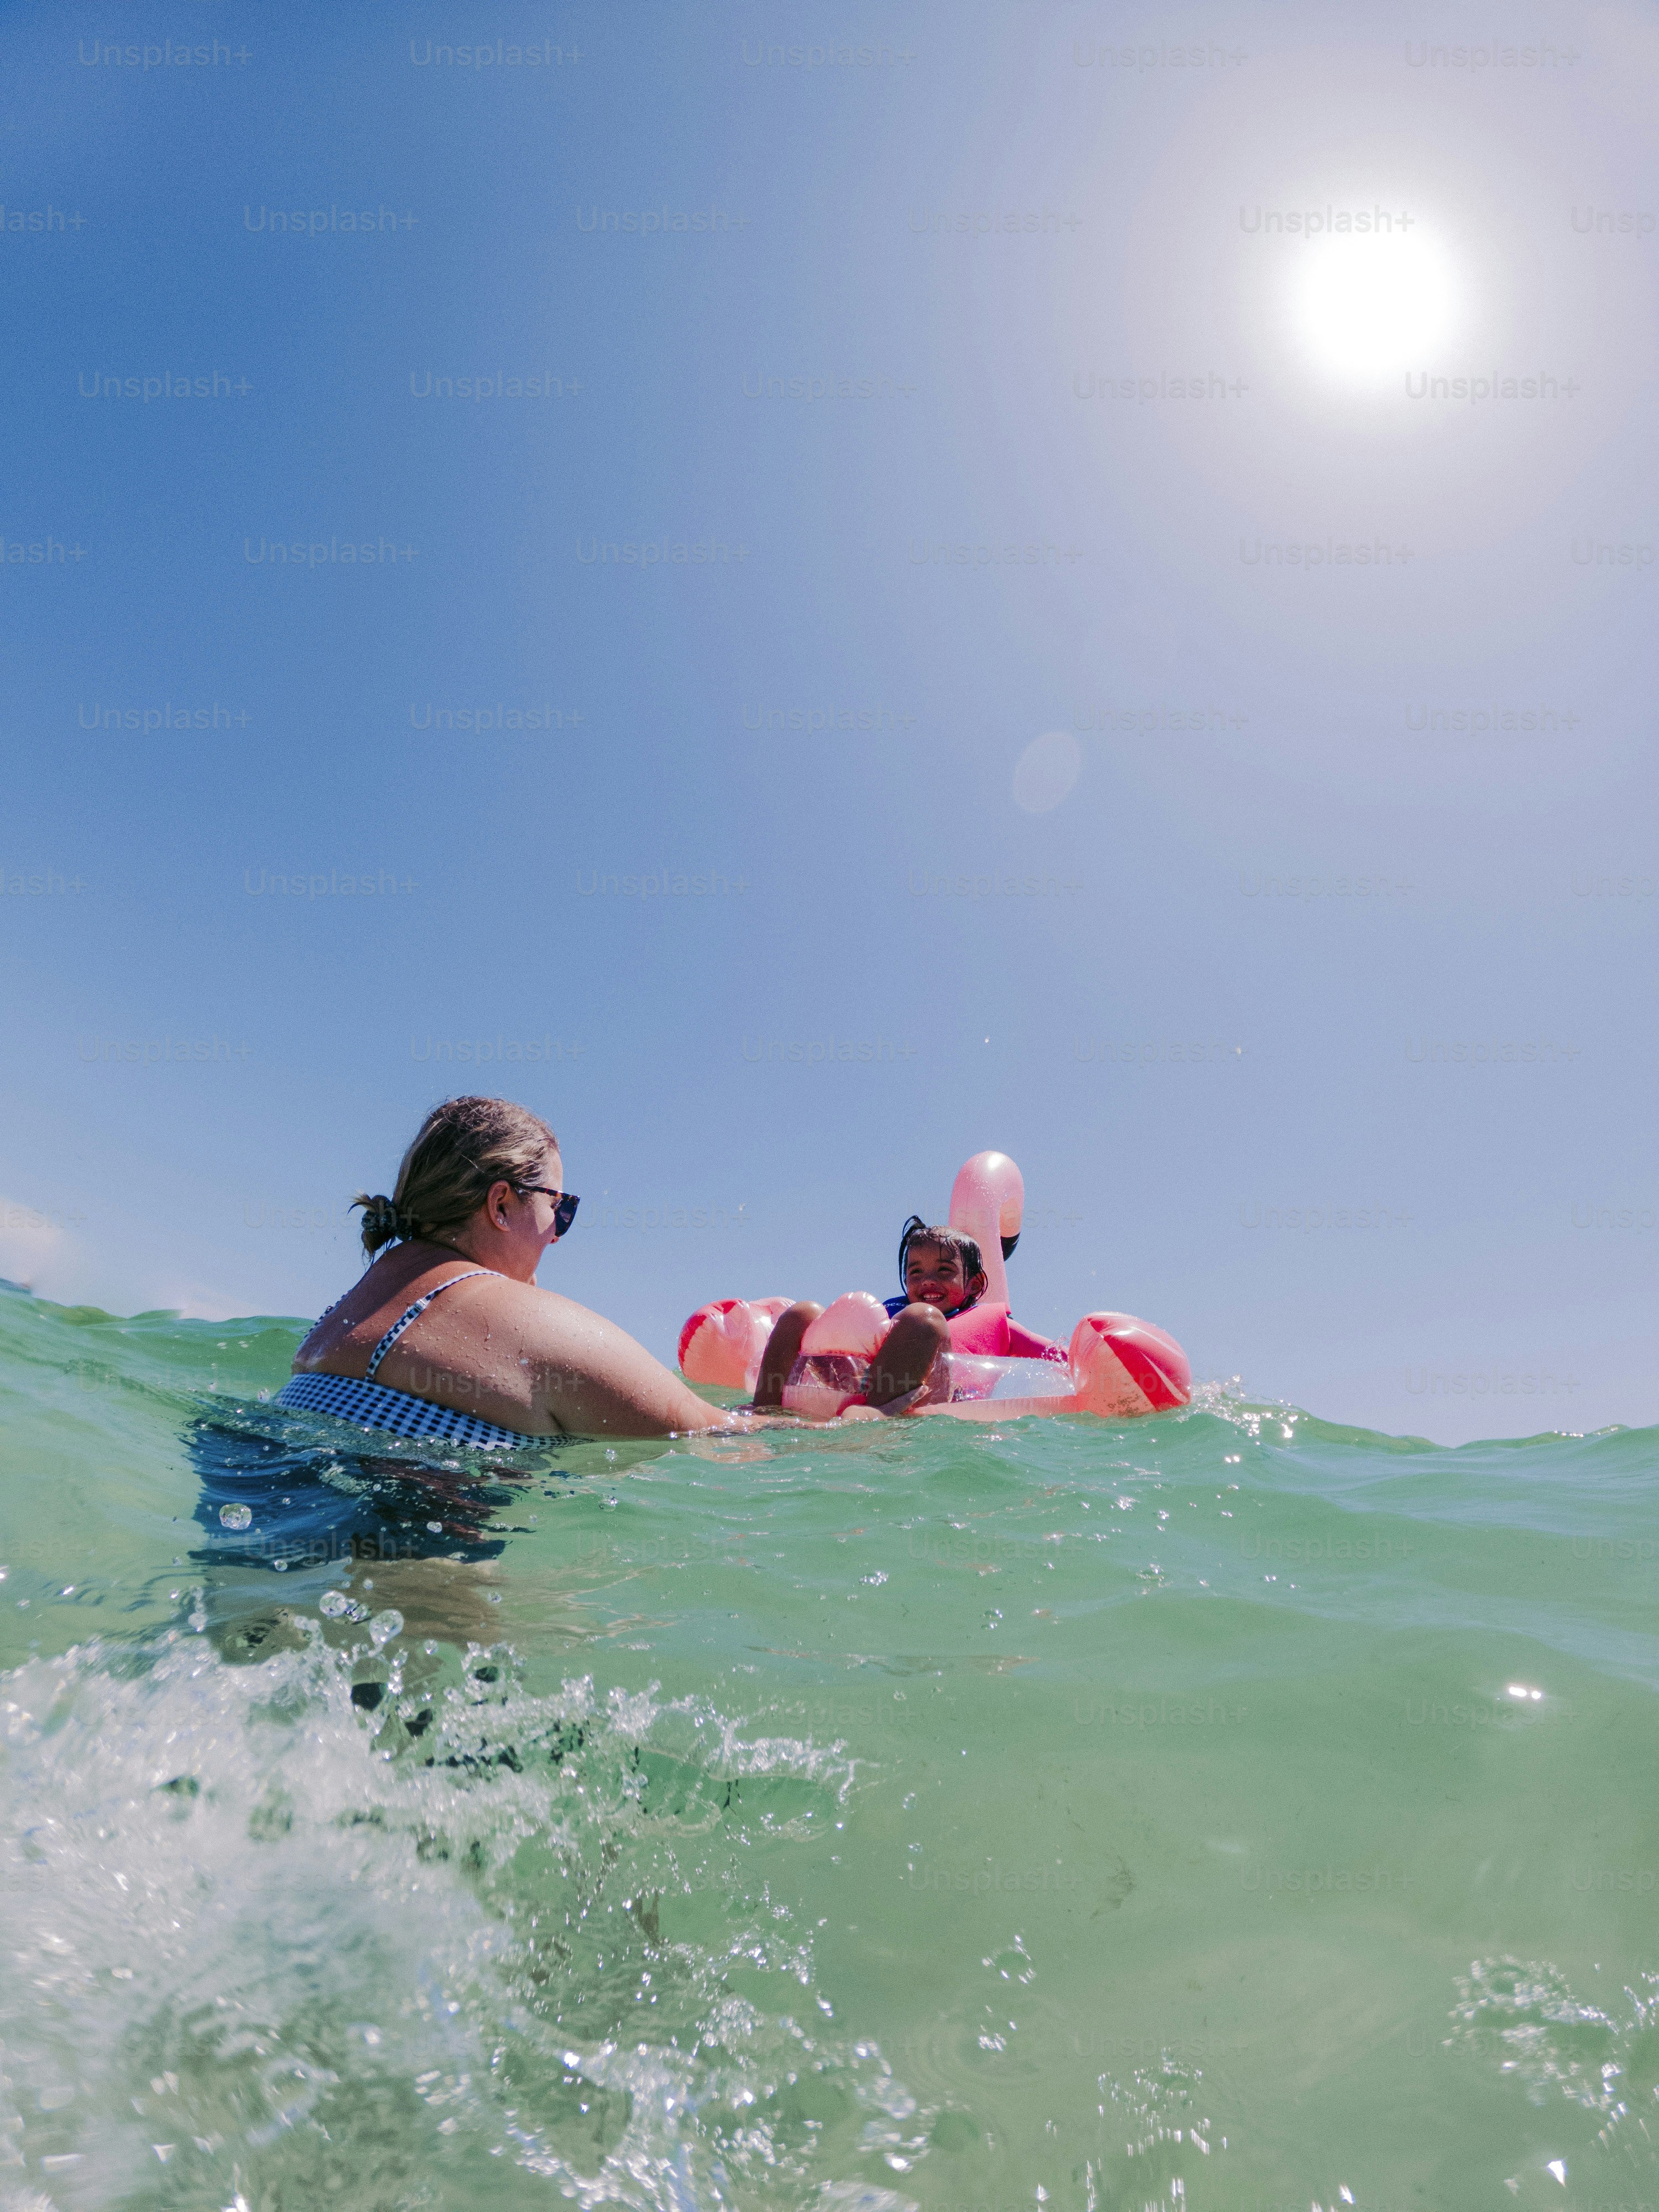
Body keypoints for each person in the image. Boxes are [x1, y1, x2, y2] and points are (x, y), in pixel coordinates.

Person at [278, 1096, 744, 1442]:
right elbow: (716, 1436)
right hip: (411, 1560)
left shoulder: (352, 1306)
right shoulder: (527, 1321)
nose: (556, 1234)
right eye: (560, 1208)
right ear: (500, 1204)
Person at [750, 1217, 1063, 1412]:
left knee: (923, 1320)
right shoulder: (889, 1316)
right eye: (916, 1272)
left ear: (974, 1283)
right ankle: (764, 1412)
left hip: (909, 1409)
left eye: (944, 1271)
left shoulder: (997, 1326)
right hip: (846, 1391)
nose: (928, 1280)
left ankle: (873, 1417)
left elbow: (1057, 1355)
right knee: (802, 1312)